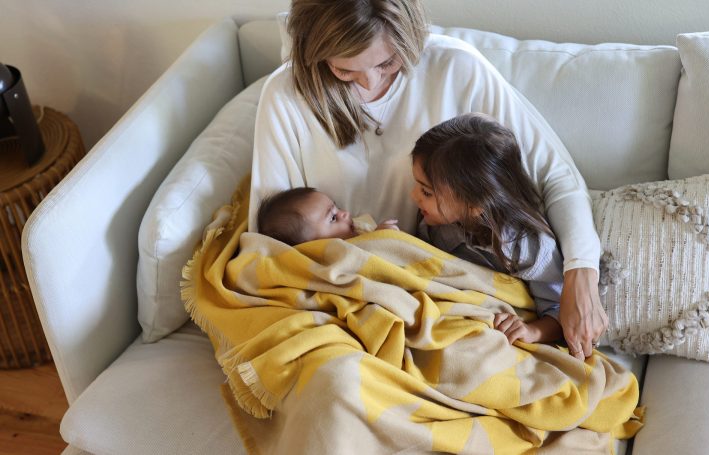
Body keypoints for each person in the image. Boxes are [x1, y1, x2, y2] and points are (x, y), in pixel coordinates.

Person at [248, 0, 606, 359]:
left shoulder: (457, 68)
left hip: (445, 290)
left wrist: (581, 272)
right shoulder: (285, 97)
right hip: (350, 297)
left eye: (387, 63)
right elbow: (270, 247)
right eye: (345, 69)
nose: (371, 80)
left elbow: (554, 176)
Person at [412, 113, 564, 344]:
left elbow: (560, 308)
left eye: (426, 192)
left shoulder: (525, 247)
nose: (413, 196)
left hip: (499, 326)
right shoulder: (437, 222)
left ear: (474, 205)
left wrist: (532, 331)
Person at [257, 186, 399, 245]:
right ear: (313, 246)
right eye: (332, 218)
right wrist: (379, 239)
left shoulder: (358, 230)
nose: (345, 213)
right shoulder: (332, 257)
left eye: (336, 207)